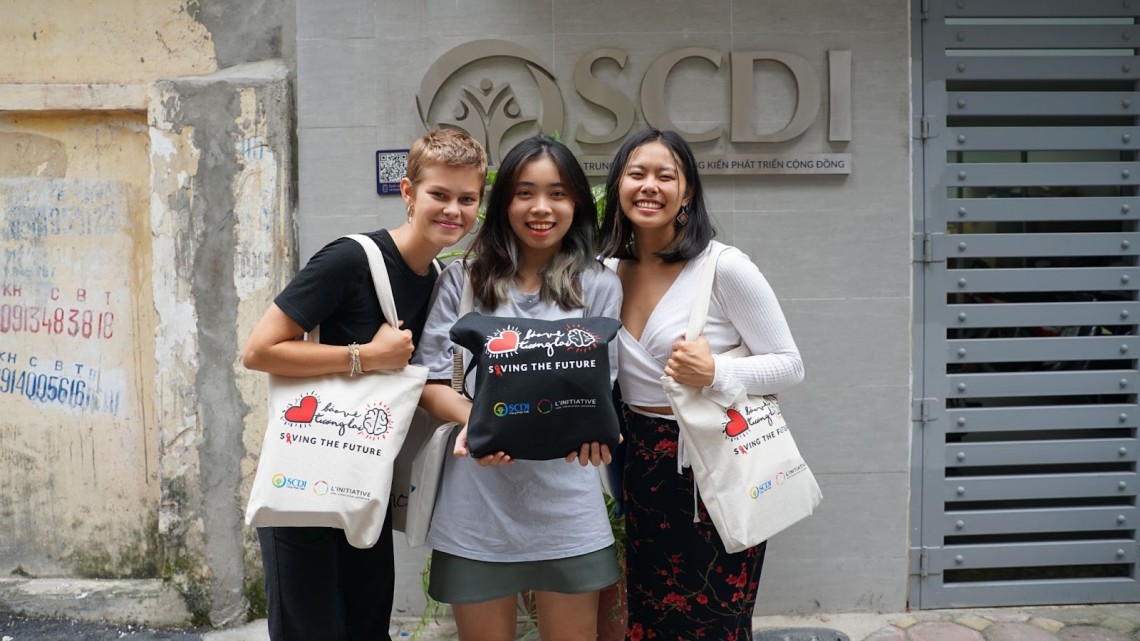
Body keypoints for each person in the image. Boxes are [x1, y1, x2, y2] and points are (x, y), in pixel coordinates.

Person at [241, 128, 487, 641]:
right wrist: (365, 357)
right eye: (439, 195)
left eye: (467, 199)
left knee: (366, 627)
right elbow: (260, 350)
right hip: (307, 479)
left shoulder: (442, 280)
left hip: (366, 477)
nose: (453, 211)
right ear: (408, 192)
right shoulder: (351, 259)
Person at [598, 128, 805, 641]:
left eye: (665, 175)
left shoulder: (724, 267)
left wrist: (718, 373)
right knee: (648, 615)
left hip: (716, 462)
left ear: (687, 191)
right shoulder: (604, 272)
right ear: (618, 184)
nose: (650, 186)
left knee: (715, 619)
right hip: (642, 465)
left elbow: (790, 365)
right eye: (637, 173)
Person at [414, 134, 622, 641]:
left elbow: (600, 385)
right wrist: (478, 424)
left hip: (568, 503)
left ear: (575, 201)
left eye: (557, 193)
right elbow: (432, 381)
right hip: (477, 504)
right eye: (525, 192)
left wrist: (594, 433)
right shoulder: (464, 279)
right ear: (503, 200)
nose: (541, 208)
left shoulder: (597, 285)